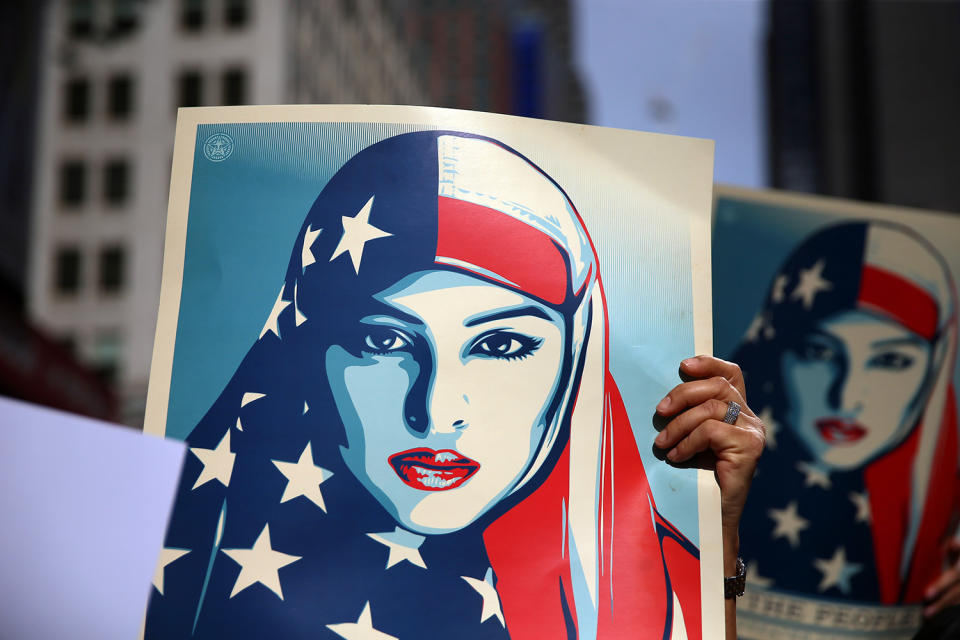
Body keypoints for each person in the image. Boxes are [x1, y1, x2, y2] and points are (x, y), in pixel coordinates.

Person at [145, 130, 763, 639]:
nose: (438, 412)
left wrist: (721, 534)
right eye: (384, 342)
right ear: (310, 346)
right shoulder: (176, 556)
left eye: (500, 345)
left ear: (575, 364)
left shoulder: (665, 590)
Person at [733, 221, 959, 617]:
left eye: (890, 360)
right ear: (776, 347)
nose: (848, 397)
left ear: (935, 371)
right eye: (818, 352)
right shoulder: (703, 474)